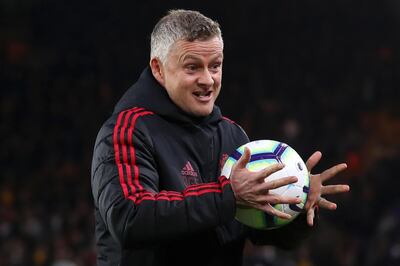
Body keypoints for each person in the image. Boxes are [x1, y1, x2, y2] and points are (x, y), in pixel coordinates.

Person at [91, 9, 350, 266]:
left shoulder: (232, 135)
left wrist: (299, 203)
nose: (208, 80)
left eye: (215, 66)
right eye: (192, 67)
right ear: (159, 69)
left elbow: (259, 230)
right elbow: (130, 217)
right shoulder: (128, 130)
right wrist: (227, 196)